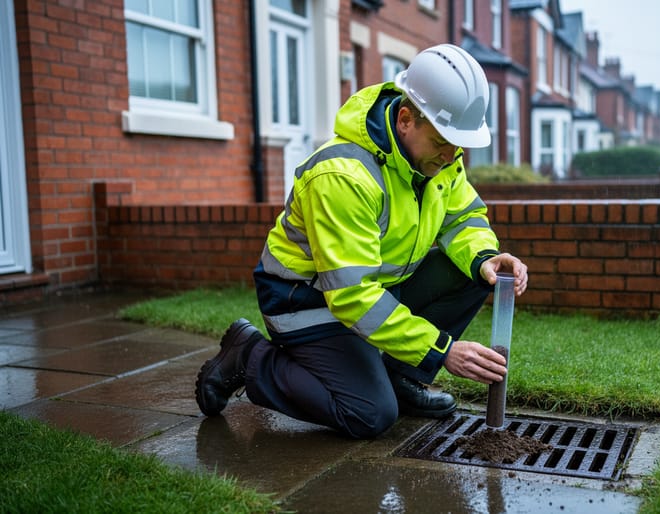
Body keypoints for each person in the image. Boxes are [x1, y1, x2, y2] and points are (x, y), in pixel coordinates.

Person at [195, 43, 528, 439]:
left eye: (459, 143)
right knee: (369, 414)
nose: (454, 153)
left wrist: (485, 257)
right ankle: (249, 356)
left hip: (373, 290)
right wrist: (440, 350)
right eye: (444, 140)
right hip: (307, 302)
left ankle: (400, 378)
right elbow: (352, 295)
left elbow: (464, 216)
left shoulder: (437, 158)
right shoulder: (343, 175)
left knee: (475, 273)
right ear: (406, 119)